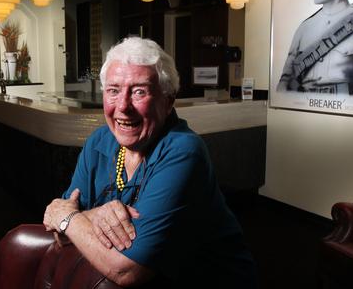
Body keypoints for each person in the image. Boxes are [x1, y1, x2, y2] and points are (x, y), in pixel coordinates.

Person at [43, 37, 256, 287]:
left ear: (168, 101)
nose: (123, 106)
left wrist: (71, 219)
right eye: (113, 90)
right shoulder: (99, 141)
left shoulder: (184, 152)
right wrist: (91, 215)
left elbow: (127, 270)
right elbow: (60, 231)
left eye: (139, 91)